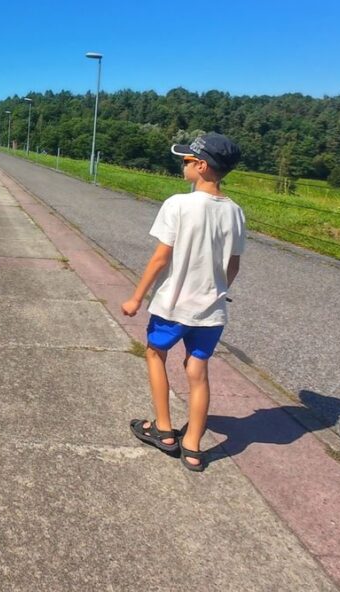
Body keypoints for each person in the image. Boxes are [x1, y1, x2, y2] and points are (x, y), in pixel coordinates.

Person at [121, 133, 246, 471]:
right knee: (198, 370)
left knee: (154, 353)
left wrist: (136, 297)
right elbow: (232, 265)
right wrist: (216, 289)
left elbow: (161, 258)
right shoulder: (235, 212)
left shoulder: (178, 204)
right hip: (212, 310)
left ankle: (163, 429)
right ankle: (192, 448)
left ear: (202, 166)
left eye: (188, 160)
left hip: (173, 306)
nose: (183, 164)